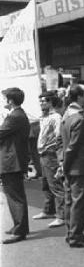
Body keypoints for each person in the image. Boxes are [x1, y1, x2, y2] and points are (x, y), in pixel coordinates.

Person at [58, 85, 84, 248]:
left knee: (70, 201)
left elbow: (65, 143)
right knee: (79, 202)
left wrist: (63, 165)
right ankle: (76, 237)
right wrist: (65, 166)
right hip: (78, 166)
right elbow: (73, 146)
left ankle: (73, 233)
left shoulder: (67, 115)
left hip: (71, 166)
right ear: (79, 97)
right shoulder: (79, 119)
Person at [0, 87, 30, 244]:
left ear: (10, 101)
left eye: (5, 98)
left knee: (15, 196)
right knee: (14, 195)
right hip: (12, 162)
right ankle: (19, 226)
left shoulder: (14, 117)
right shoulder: (16, 115)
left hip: (12, 162)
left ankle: (20, 230)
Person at [33, 92, 65, 228]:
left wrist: (52, 149)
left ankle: (62, 216)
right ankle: (48, 210)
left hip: (50, 154)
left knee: (56, 186)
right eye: (40, 101)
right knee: (46, 184)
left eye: (44, 101)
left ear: (51, 102)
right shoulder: (43, 117)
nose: (41, 103)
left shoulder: (56, 117)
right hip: (43, 154)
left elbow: (59, 136)